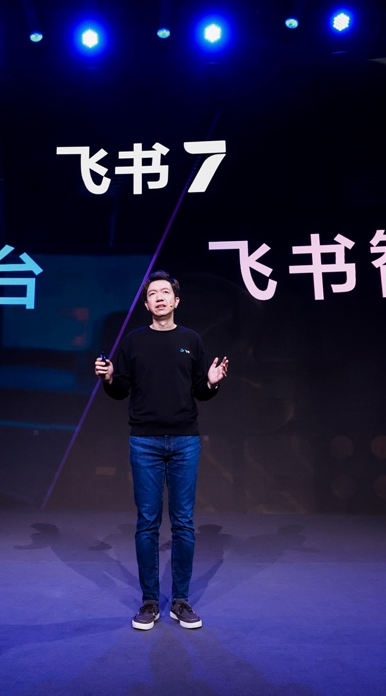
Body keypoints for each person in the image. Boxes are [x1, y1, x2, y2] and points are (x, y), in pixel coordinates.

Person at [95, 270, 228, 631]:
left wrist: (212, 383)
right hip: (145, 441)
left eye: (165, 292)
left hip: (185, 441)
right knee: (147, 523)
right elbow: (120, 390)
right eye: (153, 293)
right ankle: (150, 601)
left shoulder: (191, 340)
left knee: (183, 522)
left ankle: (180, 601)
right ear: (146, 303)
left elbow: (200, 391)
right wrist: (109, 377)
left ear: (176, 300)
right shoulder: (133, 341)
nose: (159, 298)